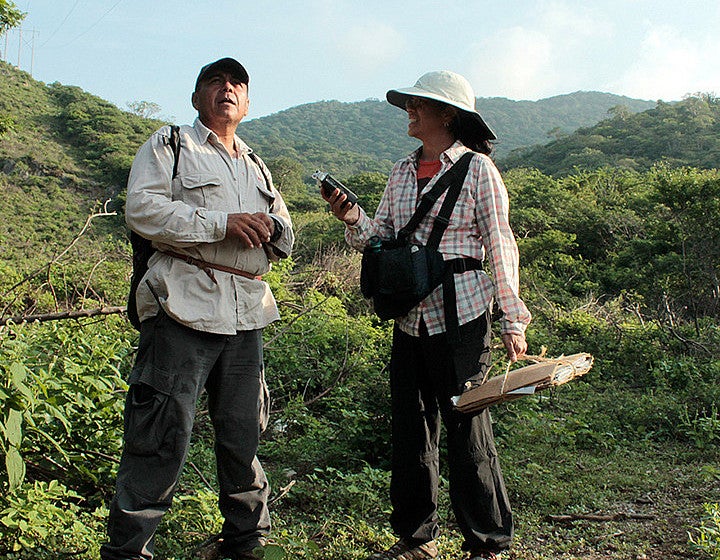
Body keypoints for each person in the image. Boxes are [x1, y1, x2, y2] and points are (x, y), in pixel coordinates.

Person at [321, 70, 531, 560]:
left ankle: (487, 543)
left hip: (462, 317)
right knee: (411, 429)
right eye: (410, 103)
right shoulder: (400, 171)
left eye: (420, 104)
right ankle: (415, 539)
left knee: (467, 431)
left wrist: (512, 318)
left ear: (448, 114)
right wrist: (353, 218)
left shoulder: (478, 170)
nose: (410, 111)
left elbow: (500, 242)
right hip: (409, 320)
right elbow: (383, 237)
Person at [101, 58, 294, 560]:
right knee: (160, 434)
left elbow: (286, 233)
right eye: (215, 82)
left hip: (247, 314)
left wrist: (271, 230)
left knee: (242, 434)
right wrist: (220, 223)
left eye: (237, 84)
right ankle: (127, 551)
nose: (227, 89)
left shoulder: (256, 163)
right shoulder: (170, 146)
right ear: (197, 98)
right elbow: (140, 208)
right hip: (180, 309)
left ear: (247, 103)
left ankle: (246, 543)